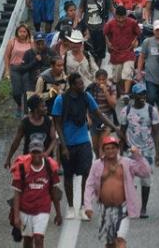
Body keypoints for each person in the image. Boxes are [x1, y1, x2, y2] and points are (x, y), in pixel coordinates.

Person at [52, 72, 117, 219]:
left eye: (82, 83)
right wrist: (63, 146)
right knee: (68, 175)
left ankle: (83, 205)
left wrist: (115, 127)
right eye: (79, 84)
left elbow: (99, 114)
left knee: (86, 174)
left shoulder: (86, 97)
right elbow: (57, 124)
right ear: (72, 85)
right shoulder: (60, 100)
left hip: (83, 142)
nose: (82, 86)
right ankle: (70, 207)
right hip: (67, 142)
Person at [83, 136, 151, 248]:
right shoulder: (97, 165)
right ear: (103, 150)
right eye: (108, 148)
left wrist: (138, 156)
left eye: (113, 148)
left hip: (123, 208)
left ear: (118, 149)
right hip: (105, 209)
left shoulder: (126, 163)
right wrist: (88, 206)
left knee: (120, 240)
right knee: (110, 244)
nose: (110, 151)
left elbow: (146, 172)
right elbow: (89, 185)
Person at [10, 137, 63, 247]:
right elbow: (17, 194)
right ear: (30, 152)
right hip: (25, 209)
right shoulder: (22, 167)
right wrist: (16, 217)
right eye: (33, 152)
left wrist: (58, 213)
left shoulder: (50, 166)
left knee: (38, 238)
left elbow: (54, 192)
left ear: (43, 152)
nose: (36, 155)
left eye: (38, 152)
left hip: (42, 209)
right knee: (28, 239)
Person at [118, 85, 159, 217]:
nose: (142, 97)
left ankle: (143, 208)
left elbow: (156, 132)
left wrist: (158, 153)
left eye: (144, 94)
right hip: (131, 151)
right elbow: (122, 131)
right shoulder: (126, 111)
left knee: (146, 180)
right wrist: (120, 152)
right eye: (139, 94)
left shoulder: (151, 110)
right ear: (133, 96)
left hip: (147, 151)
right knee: (128, 180)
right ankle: (129, 206)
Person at [4, 95, 56, 170]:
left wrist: (47, 153)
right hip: (29, 161)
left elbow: (53, 139)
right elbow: (16, 142)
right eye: (43, 106)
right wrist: (9, 158)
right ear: (35, 109)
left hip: (45, 161)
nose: (46, 108)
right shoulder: (25, 123)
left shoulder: (49, 121)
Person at [104, 5, 140, 94]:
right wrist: (108, 43)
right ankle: (119, 93)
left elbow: (138, 33)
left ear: (126, 15)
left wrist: (135, 41)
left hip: (128, 52)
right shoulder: (110, 23)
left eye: (122, 17)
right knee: (117, 77)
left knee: (127, 73)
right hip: (116, 53)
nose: (120, 20)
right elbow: (105, 33)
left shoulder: (132, 23)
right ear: (115, 16)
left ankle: (126, 94)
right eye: (118, 18)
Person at [77, 0, 113, 64]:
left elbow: (112, 10)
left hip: (101, 30)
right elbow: (80, 11)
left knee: (100, 55)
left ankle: (98, 73)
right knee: (87, 53)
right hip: (88, 30)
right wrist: (77, 25)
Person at [5, 24, 35, 116]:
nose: (22, 34)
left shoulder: (30, 42)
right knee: (16, 92)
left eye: (24, 32)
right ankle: (19, 105)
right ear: (17, 32)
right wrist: (7, 70)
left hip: (27, 68)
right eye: (20, 32)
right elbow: (7, 56)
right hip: (15, 68)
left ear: (27, 33)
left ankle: (26, 112)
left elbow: (35, 54)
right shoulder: (12, 42)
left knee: (27, 90)